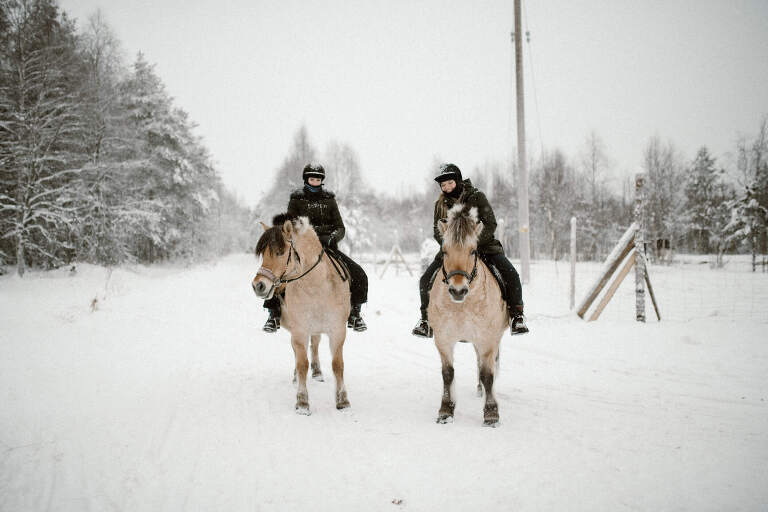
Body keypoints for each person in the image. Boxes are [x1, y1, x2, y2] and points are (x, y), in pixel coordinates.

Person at [412, 163, 528, 338]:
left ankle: (516, 316)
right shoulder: (440, 204)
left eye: (450, 183)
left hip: (484, 247)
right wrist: (451, 246)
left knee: (511, 274)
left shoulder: (477, 197)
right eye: (443, 185)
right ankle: (426, 321)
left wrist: (471, 244)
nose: (447, 187)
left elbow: (490, 223)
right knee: (425, 280)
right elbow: (437, 230)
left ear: (458, 181)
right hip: (452, 252)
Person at [262, 163, 368, 333]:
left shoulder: (329, 200)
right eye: (312, 179)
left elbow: (340, 227)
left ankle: (355, 314)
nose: (315, 182)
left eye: (318, 179)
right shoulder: (296, 199)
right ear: (306, 179)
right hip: (302, 249)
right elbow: (291, 225)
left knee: (359, 273)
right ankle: (273, 314)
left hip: (328, 247)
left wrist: (332, 238)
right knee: (279, 272)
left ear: (321, 181)